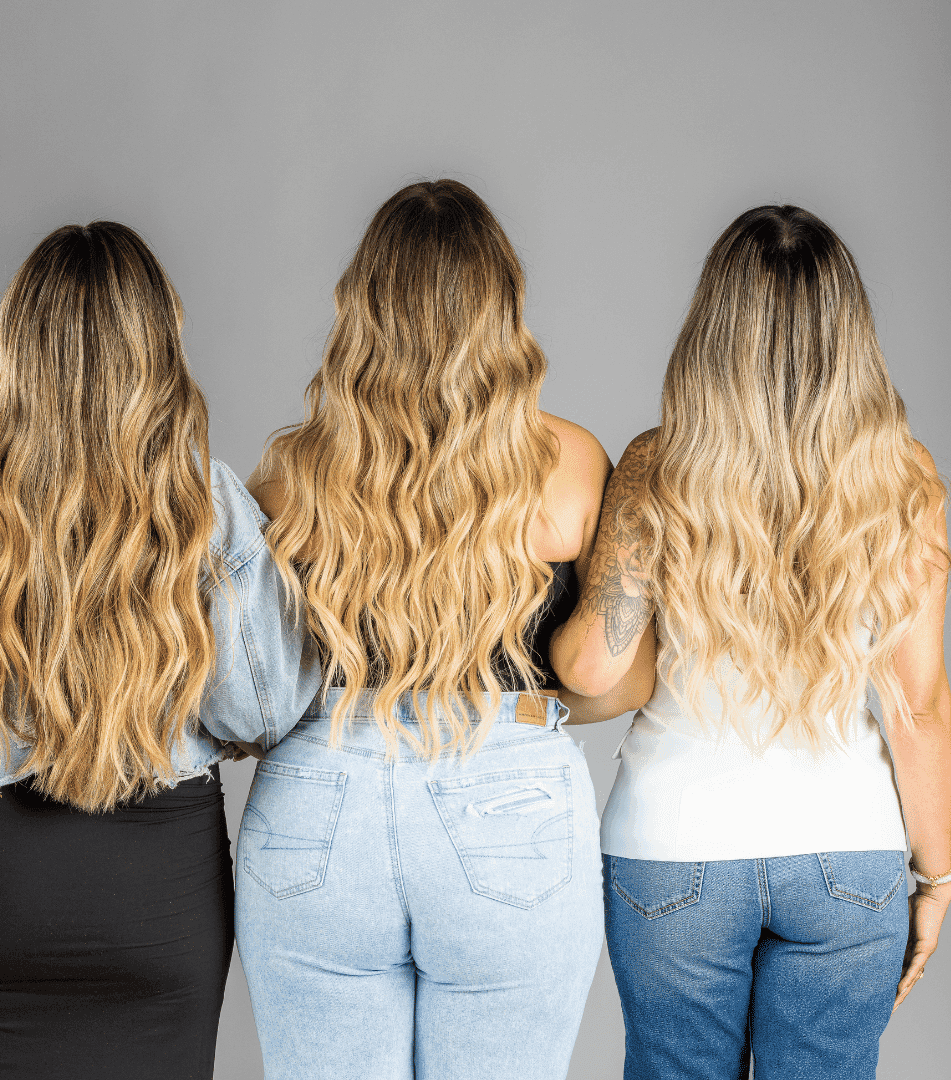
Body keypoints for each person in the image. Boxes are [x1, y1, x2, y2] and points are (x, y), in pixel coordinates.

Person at [0, 222, 321, 1080]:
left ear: (16, 347)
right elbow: (265, 710)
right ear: (158, 349)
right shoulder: (206, 503)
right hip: (160, 892)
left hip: (2, 892)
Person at [234, 179, 652, 1080]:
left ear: (361, 309)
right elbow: (620, 681)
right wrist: (512, 716)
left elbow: (256, 685)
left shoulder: (289, 473)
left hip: (319, 807)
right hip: (512, 817)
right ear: (502, 308)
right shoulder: (572, 466)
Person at [551, 204, 951, 1080]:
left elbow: (595, 664)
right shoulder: (903, 477)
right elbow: (918, 709)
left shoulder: (657, 465)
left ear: (712, 328)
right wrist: (941, 877)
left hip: (675, 854)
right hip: (849, 854)